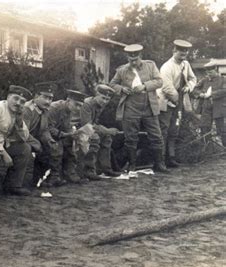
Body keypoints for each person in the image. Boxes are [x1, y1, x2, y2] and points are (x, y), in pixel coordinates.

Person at [109, 44, 168, 172]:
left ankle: (159, 164)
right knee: (131, 138)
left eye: (136, 59)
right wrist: (122, 89)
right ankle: (132, 165)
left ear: (140, 56)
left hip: (149, 107)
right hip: (130, 107)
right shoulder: (122, 70)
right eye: (131, 59)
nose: (133, 62)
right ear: (127, 57)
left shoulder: (150, 66)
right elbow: (112, 84)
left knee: (156, 136)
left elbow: (159, 81)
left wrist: (145, 86)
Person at [0, 85, 33, 196]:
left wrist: (19, 120)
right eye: (16, 98)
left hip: (3, 143)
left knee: (25, 149)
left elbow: (25, 137)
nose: (18, 103)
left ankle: (13, 185)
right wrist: (4, 154)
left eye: (22, 101)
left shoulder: (17, 113)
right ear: (8, 97)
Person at [157, 39, 197, 167]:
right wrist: (176, 100)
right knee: (164, 130)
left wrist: (188, 87)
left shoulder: (185, 64)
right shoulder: (167, 67)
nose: (183, 53)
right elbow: (166, 87)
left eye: (185, 51)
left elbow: (193, 78)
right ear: (174, 50)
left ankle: (171, 158)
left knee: (174, 130)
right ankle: (161, 160)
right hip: (165, 102)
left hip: (178, 102)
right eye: (180, 50)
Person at [23, 82, 66, 187]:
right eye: (45, 97)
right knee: (35, 150)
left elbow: (44, 130)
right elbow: (24, 132)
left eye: (51, 99)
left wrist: (49, 140)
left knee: (53, 147)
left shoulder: (45, 110)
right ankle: (26, 183)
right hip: (22, 139)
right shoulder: (27, 110)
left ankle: (46, 178)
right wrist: (37, 143)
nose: (48, 101)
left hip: (34, 139)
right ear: (36, 96)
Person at [79, 84, 121, 178]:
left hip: (86, 128)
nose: (105, 101)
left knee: (107, 138)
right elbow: (86, 125)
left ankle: (106, 169)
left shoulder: (99, 105)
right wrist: (106, 130)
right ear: (96, 95)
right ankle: (88, 170)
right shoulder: (87, 104)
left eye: (107, 99)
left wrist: (106, 132)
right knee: (95, 138)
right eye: (103, 98)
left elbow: (94, 123)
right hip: (77, 129)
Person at [47, 89, 88, 184]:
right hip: (47, 134)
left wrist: (73, 134)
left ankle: (70, 173)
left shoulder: (68, 109)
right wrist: (66, 134)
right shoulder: (54, 108)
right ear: (68, 101)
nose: (78, 108)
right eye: (76, 104)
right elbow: (49, 128)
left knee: (73, 144)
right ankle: (54, 176)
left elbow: (66, 126)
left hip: (58, 134)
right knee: (57, 147)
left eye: (80, 106)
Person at [194, 64, 226, 145]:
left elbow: (224, 90)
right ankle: (207, 147)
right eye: (207, 73)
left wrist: (212, 94)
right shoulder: (204, 80)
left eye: (211, 72)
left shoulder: (223, 79)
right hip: (206, 108)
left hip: (219, 108)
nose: (209, 75)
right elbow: (195, 89)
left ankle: (224, 148)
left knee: (222, 129)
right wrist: (200, 94)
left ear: (216, 70)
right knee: (205, 128)